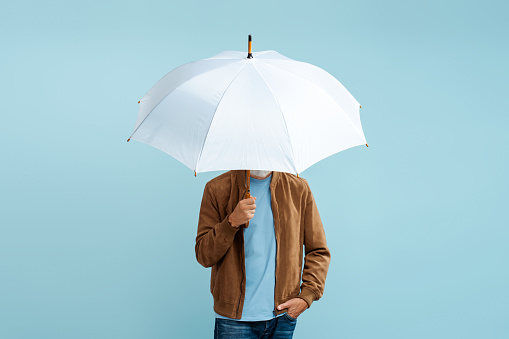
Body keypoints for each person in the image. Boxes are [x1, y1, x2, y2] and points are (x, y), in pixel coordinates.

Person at [196, 169, 331, 339]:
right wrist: (231, 223)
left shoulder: (298, 188)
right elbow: (203, 255)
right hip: (233, 321)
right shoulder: (217, 188)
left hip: (282, 317)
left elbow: (318, 250)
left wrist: (307, 296)